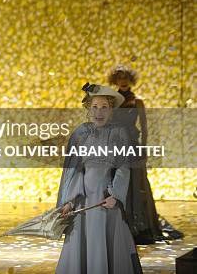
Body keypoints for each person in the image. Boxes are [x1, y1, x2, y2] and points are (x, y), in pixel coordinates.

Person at [56, 83, 142, 274]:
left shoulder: (119, 133)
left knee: (106, 244)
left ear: (111, 110)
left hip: (106, 201)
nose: (99, 112)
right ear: (88, 109)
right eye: (94, 107)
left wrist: (115, 195)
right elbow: (75, 169)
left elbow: (123, 167)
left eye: (104, 107)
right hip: (83, 203)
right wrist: (69, 200)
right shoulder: (80, 133)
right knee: (82, 245)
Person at [108, 64, 182, 243]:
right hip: (116, 145)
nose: (123, 80)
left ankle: (138, 224)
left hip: (133, 144)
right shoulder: (111, 101)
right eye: (120, 77)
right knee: (116, 181)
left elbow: (145, 127)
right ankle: (116, 223)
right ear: (115, 81)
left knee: (136, 182)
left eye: (126, 77)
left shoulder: (138, 102)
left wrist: (144, 148)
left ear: (130, 80)